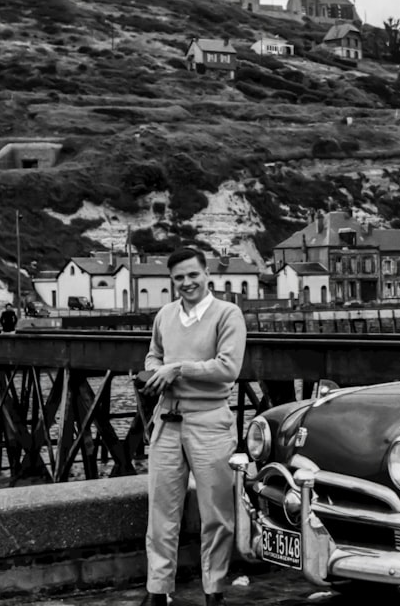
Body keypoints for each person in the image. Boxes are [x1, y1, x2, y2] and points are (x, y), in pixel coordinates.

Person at [139, 247, 247, 606]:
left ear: (206, 274)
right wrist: (157, 370)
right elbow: (153, 354)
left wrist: (179, 368)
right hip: (167, 420)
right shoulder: (165, 316)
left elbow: (227, 368)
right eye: (178, 278)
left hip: (209, 422)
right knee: (160, 511)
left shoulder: (228, 315)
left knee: (216, 512)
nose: (186, 283)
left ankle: (213, 592)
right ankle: (158, 591)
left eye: (192, 275)